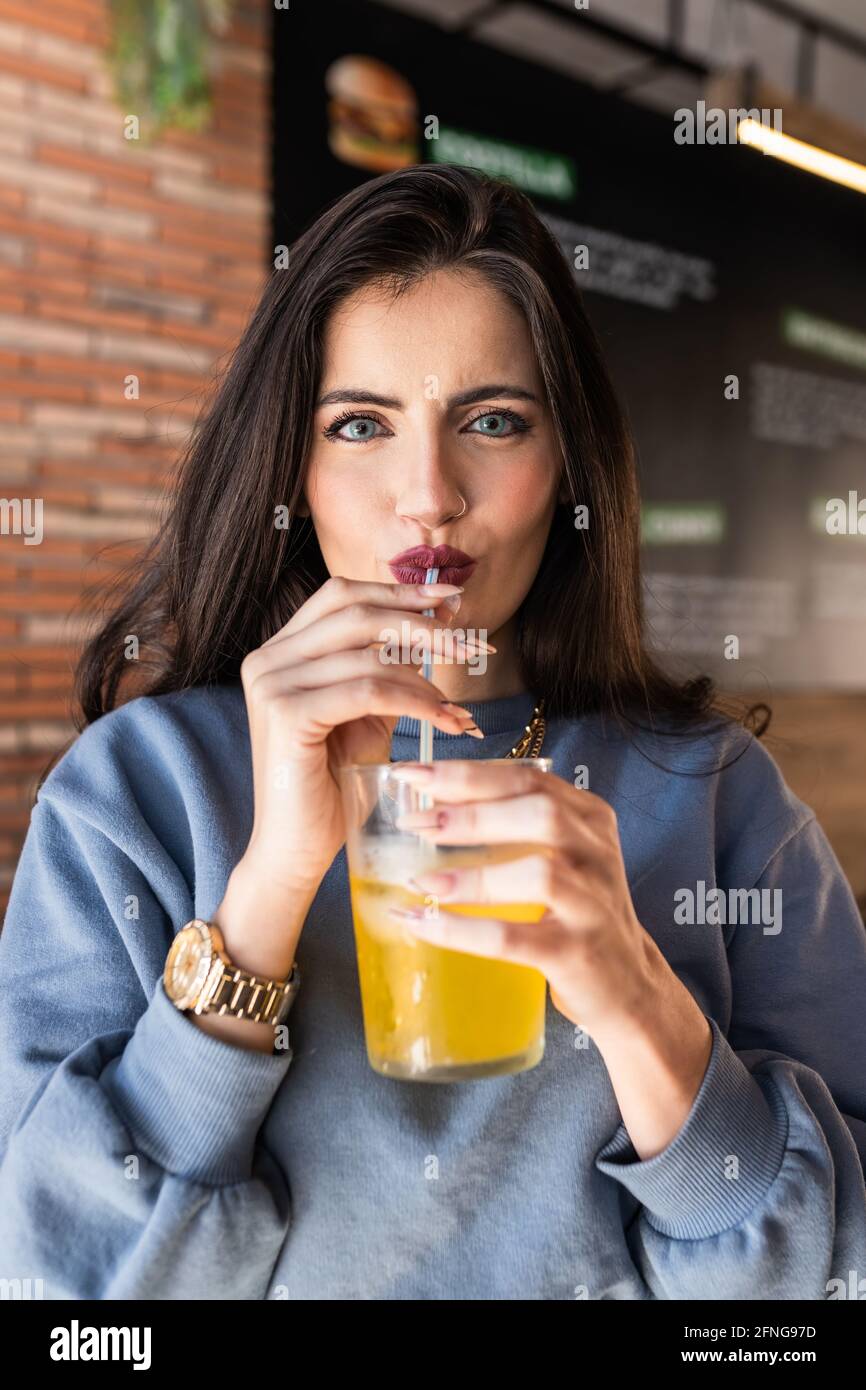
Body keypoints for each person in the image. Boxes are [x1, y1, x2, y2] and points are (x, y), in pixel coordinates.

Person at [1, 165, 864, 1301]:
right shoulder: (133, 792)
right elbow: (70, 1303)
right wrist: (265, 896)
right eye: (359, 423)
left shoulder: (719, 798)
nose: (427, 494)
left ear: (567, 466)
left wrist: (641, 1003)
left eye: (491, 421)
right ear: (290, 466)